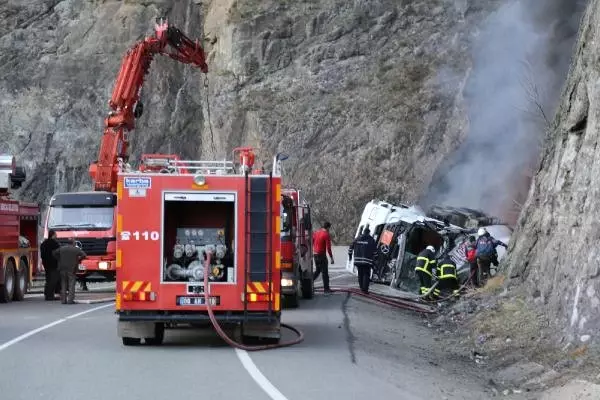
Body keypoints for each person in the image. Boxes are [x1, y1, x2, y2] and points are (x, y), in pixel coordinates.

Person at [53, 238, 87, 304]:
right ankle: (70, 300)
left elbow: (54, 253)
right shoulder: (76, 249)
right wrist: (78, 259)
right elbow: (84, 255)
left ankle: (63, 300)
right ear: (73, 243)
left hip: (62, 268)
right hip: (72, 269)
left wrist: (59, 259)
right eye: (75, 243)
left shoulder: (62, 248)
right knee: (71, 284)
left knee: (63, 284)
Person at [348, 226, 378, 294]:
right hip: (367, 261)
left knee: (360, 274)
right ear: (369, 233)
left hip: (358, 261)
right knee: (366, 275)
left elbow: (350, 248)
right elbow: (375, 251)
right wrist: (376, 258)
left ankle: (361, 288)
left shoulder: (357, 239)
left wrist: (350, 256)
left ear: (363, 232)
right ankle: (365, 290)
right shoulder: (371, 240)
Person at [312, 221, 334, 294]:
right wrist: (331, 258)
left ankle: (309, 283)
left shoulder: (316, 232)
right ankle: (326, 289)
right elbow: (328, 248)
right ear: (328, 227)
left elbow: (312, 241)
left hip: (315, 254)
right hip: (321, 255)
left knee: (318, 270)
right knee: (325, 272)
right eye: (329, 228)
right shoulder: (326, 234)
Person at [40, 230, 61, 301]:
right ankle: (50, 296)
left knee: (48, 279)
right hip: (53, 264)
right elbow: (58, 254)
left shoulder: (43, 243)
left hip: (46, 263)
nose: (56, 236)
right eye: (56, 234)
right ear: (53, 235)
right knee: (53, 280)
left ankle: (47, 294)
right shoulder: (55, 244)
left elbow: (42, 255)